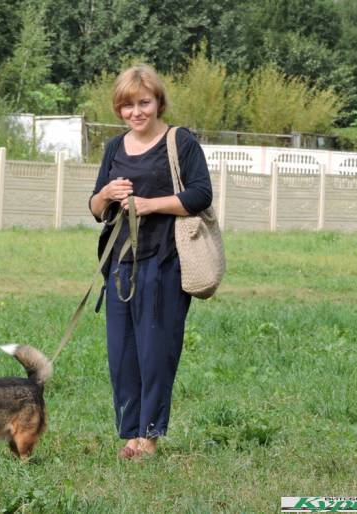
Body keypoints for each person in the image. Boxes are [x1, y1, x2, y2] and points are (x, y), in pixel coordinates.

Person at [89, 64, 212, 460]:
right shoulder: (114, 148)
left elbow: (200, 195)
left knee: (155, 350)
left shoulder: (180, 142)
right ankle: (130, 434)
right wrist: (107, 193)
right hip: (120, 266)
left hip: (165, 261)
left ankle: (150, 437)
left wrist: (148, 204)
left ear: (158, 102)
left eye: (144, 103)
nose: (136, 112)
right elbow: (94, 209)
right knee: (121, 353)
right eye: (128, 105)